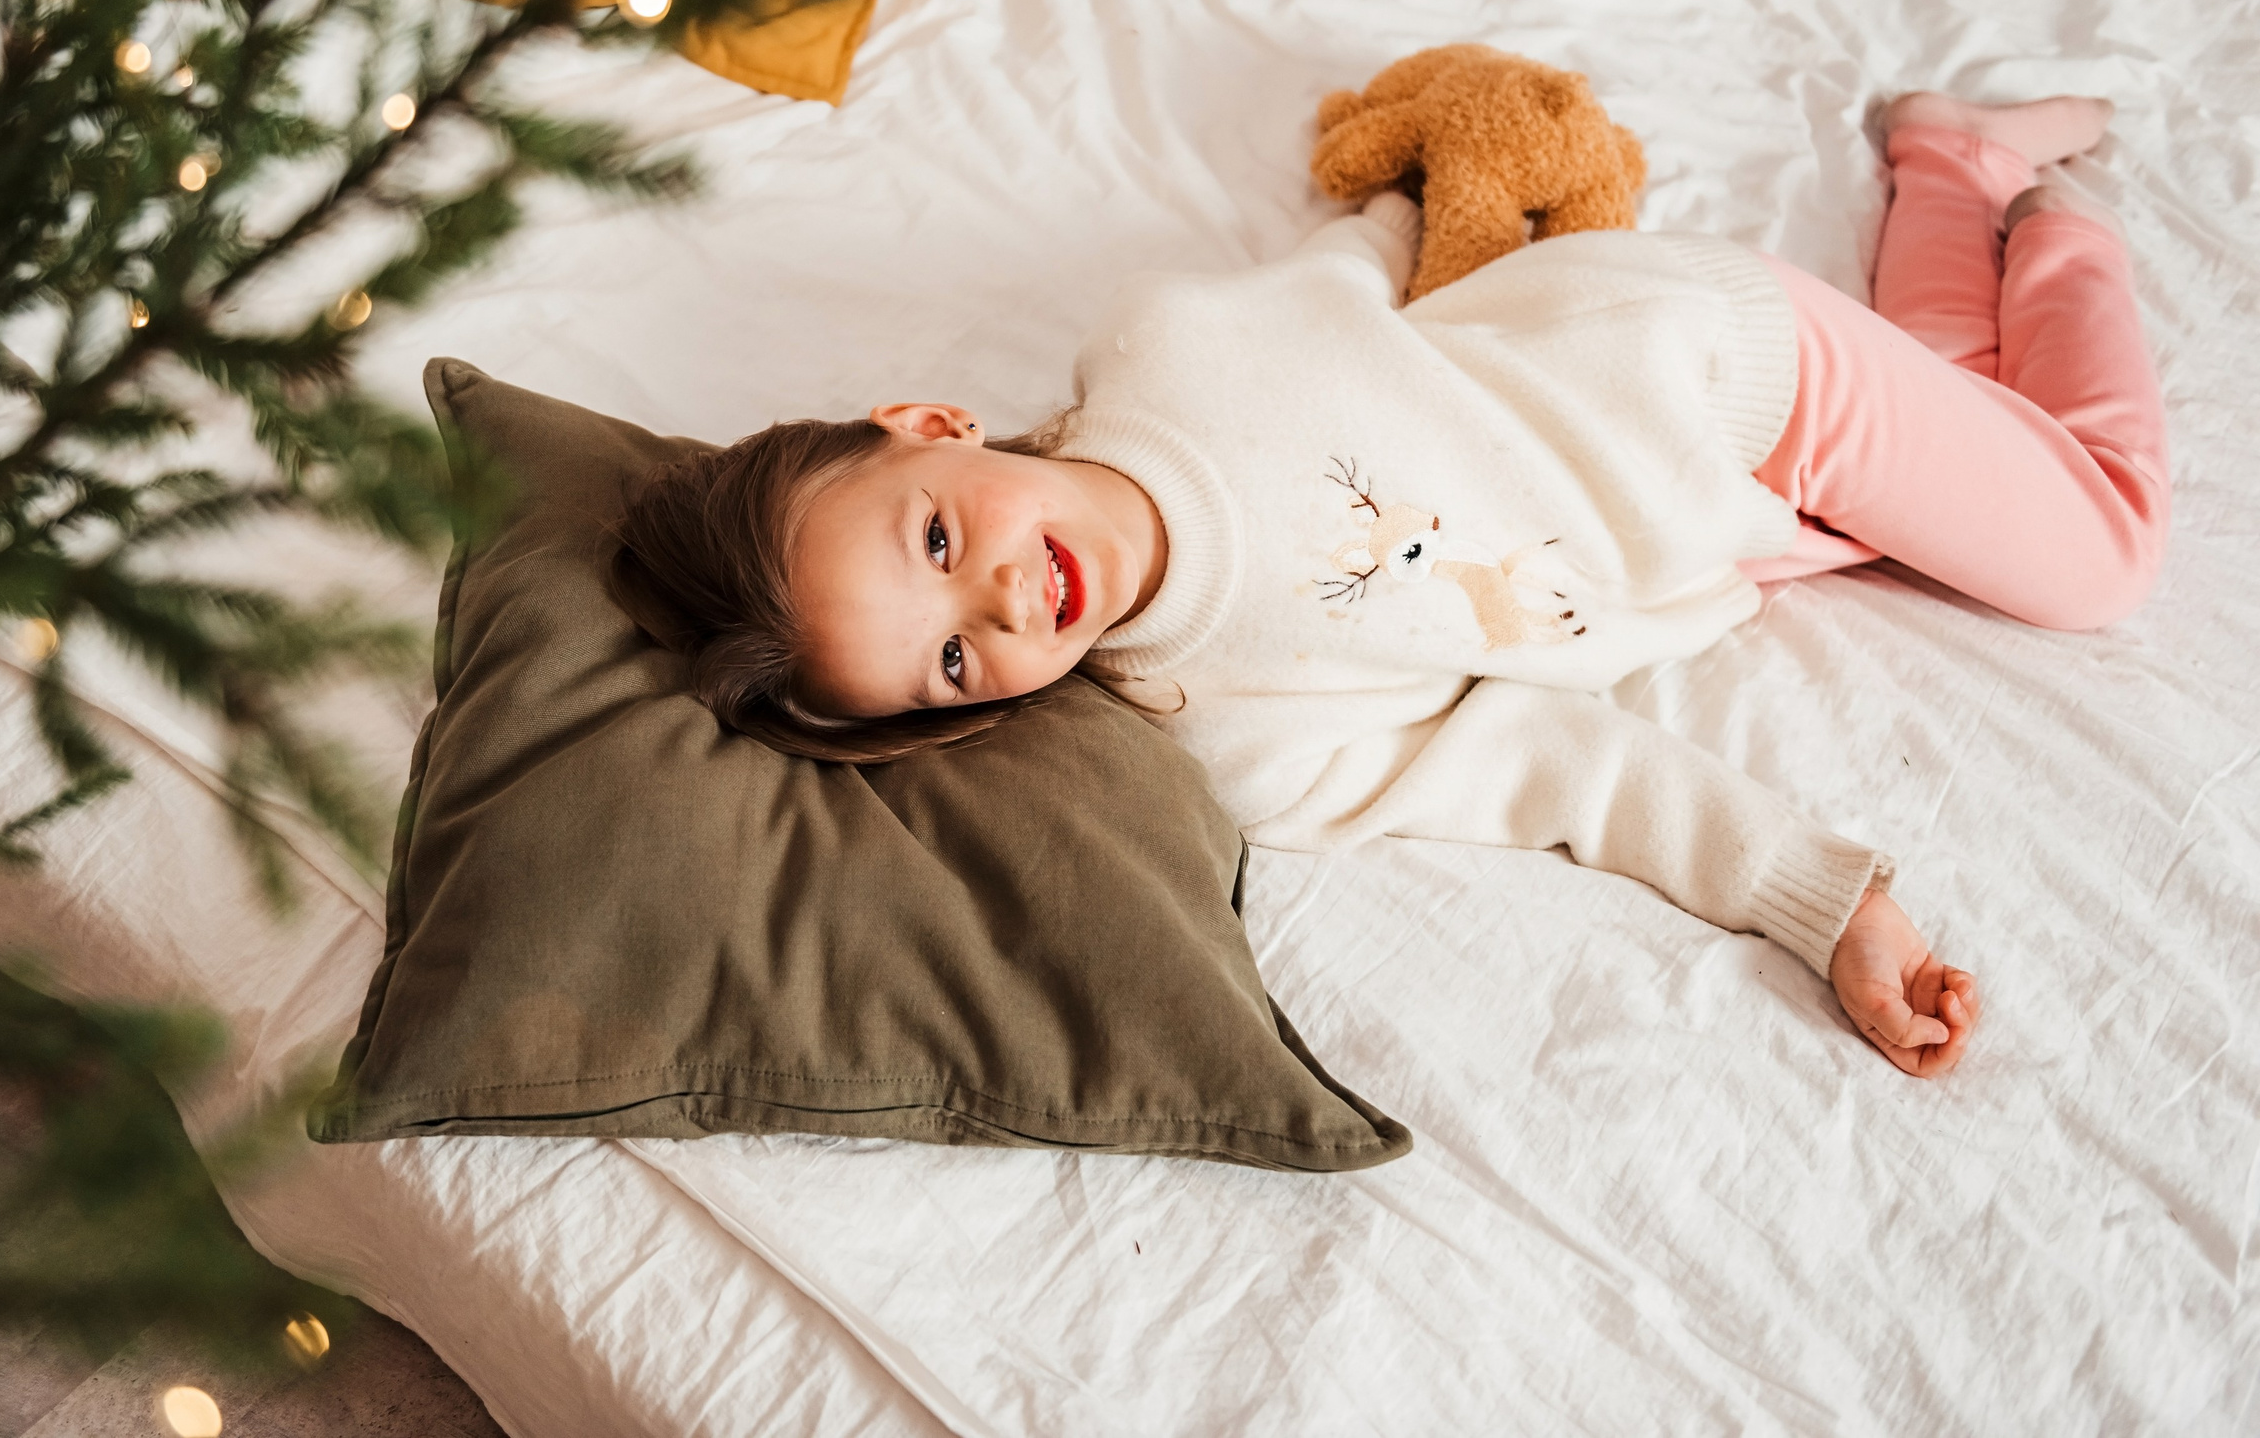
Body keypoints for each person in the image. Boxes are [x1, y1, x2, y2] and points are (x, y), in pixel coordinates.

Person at [608, 93, 2169, 1080]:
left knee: (2097, 547)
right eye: (952, 664)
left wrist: (1445, 144)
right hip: (1722, 528)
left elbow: (1370, 258)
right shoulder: (1239, 737)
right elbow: (1559, 763)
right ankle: (1952, 162)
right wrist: (1825, 901)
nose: (1007, 607)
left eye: (940, 543)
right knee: (1962, 427)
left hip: (1723, 374)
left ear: (930, 424)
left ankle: (2071, 224)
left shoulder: (1165, 344)